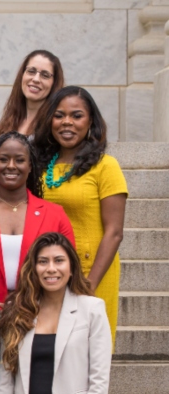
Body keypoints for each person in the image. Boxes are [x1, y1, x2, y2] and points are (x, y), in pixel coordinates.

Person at [0, 232, 113, 394]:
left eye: (59, 260)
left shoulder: (92, 309)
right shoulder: (18, 312)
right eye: (43, 262)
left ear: (71, 268)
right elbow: (5, 374)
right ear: (33, 268)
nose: (51, 269)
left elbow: (99, 376)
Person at [33, 86, 127, 345]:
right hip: (48, 270)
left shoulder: (106, 166)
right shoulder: (39, 165)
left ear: (91, 122)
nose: (67, 123)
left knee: (88, 350)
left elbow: (114, 232)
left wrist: (89, 284)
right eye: (59, 115)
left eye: (77, 116)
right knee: (49, 348)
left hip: (92, 270)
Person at [0, 131, 75, 307]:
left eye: (19, 160)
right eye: (4, 159)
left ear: (30, 166)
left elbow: (67, 267)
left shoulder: (55, 214)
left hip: (39, 311)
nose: (11, 165)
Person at [0, 50, 64, 137]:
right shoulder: (11, 119)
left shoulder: (55, 125)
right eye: (31, 71)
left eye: (45, 75)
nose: (36, 79)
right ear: (22, 75)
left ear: (54, 83)